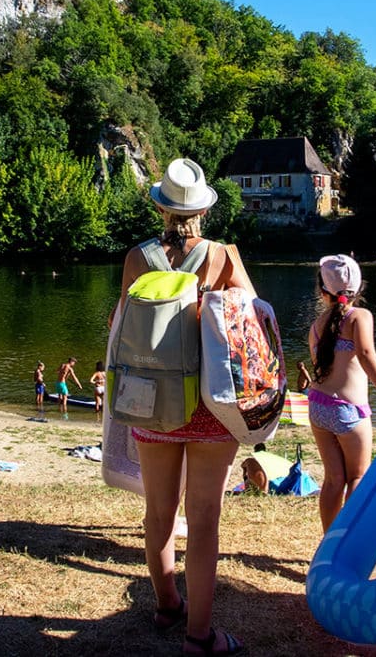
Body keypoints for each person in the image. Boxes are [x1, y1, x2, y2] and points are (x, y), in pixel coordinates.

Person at [119, 157, 257, 656]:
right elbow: (252, 325)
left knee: (158, 512)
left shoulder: (137, 258)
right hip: (207, 407)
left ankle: (166, 605)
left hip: (153, 401)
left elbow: (124, 326)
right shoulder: (221, 256)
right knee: (203, 520)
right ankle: (200, 636)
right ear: (203, 210)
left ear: (161, 207)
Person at [307, 254, 376, 531]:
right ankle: (347, 545)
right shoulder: (360, 317)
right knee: (357, 477)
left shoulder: (317, 325)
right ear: (360, 288)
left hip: (318, 407)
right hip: (348, 411)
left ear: (323, 291)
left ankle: (328, 545)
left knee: (333, 480)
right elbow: (367, 355)